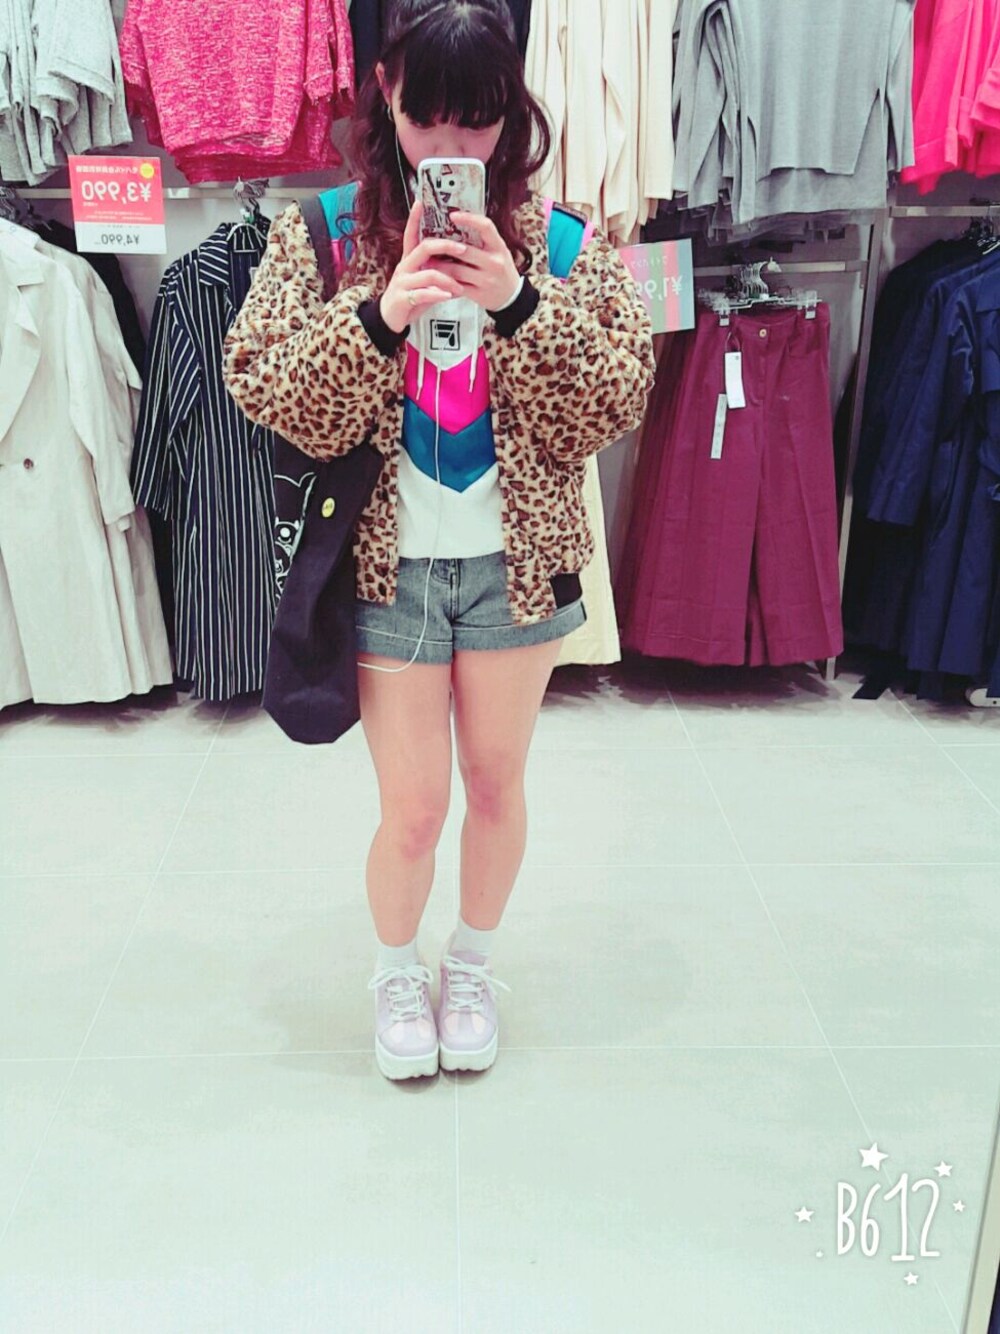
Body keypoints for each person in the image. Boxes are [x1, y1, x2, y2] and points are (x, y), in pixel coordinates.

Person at [223, 0, 655, 1083]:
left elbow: (616, 400)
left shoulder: (564, 242)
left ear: (513, 112)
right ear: (386, 94)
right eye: (430, 120)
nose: (453, 148)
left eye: (480, 121)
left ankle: (470, 963)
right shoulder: (323, 234)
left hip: (516, 566)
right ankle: (393, 971)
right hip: (387, 568)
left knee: (498, 783)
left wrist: (520, 304)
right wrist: (378, 316)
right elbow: (262, 387)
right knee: (413, 808)